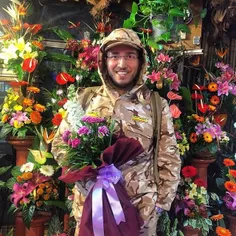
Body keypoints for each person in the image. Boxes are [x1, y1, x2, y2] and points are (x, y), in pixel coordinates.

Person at [52, 28, 181, 236]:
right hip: (92, 210)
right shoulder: (85, 100)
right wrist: (88, 175)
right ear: (104, 60)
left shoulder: (156, 105)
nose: (122, 65)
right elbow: (60, 145)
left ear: (141, 61)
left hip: (140, 214)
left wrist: (158, 204)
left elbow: (169, 158)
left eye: (130, 56)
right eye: (115, 56)